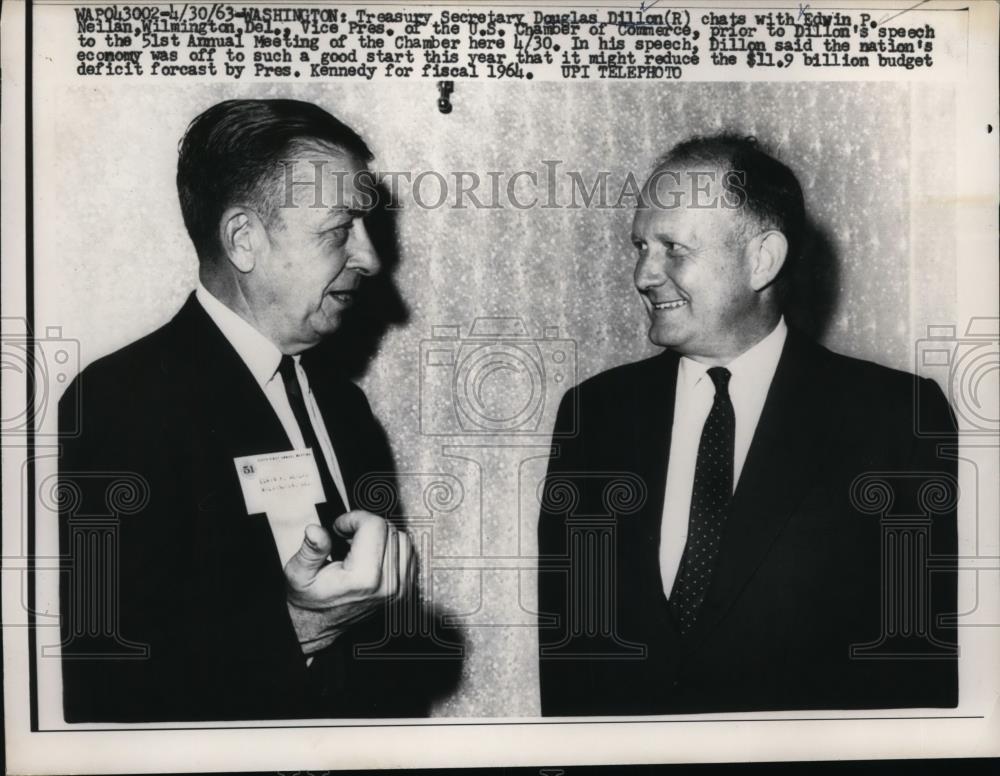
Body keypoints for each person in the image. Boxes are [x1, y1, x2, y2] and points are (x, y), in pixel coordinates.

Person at [537, 135, 958, 715]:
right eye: (640, 246)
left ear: (763, 259)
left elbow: (918, 671)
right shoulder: (593, 416)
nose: (643, 274)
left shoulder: (896, 419)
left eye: (673, 249)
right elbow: (570, 656)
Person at [58, 99, 420, 721]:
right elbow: (104, 684)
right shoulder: (119, 402)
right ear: (243, 240)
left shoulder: (344, 406)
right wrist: (301, 625)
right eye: (340, 229)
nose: (370, 258)